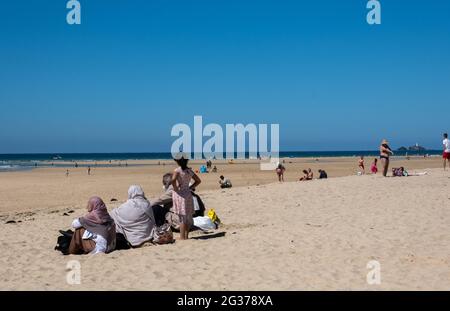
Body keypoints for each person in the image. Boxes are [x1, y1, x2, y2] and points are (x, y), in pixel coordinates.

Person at [172, 157, 201, 240]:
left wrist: (175, 188)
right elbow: (198, 181)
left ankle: (182, 237)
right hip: (187, 193)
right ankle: (186, 236)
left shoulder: (177, 170)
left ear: (177, 161)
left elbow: (173, 180)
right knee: (188, 216)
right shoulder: (189, 171)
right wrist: (191, 187)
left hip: (180, 195)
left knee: (182, 218)